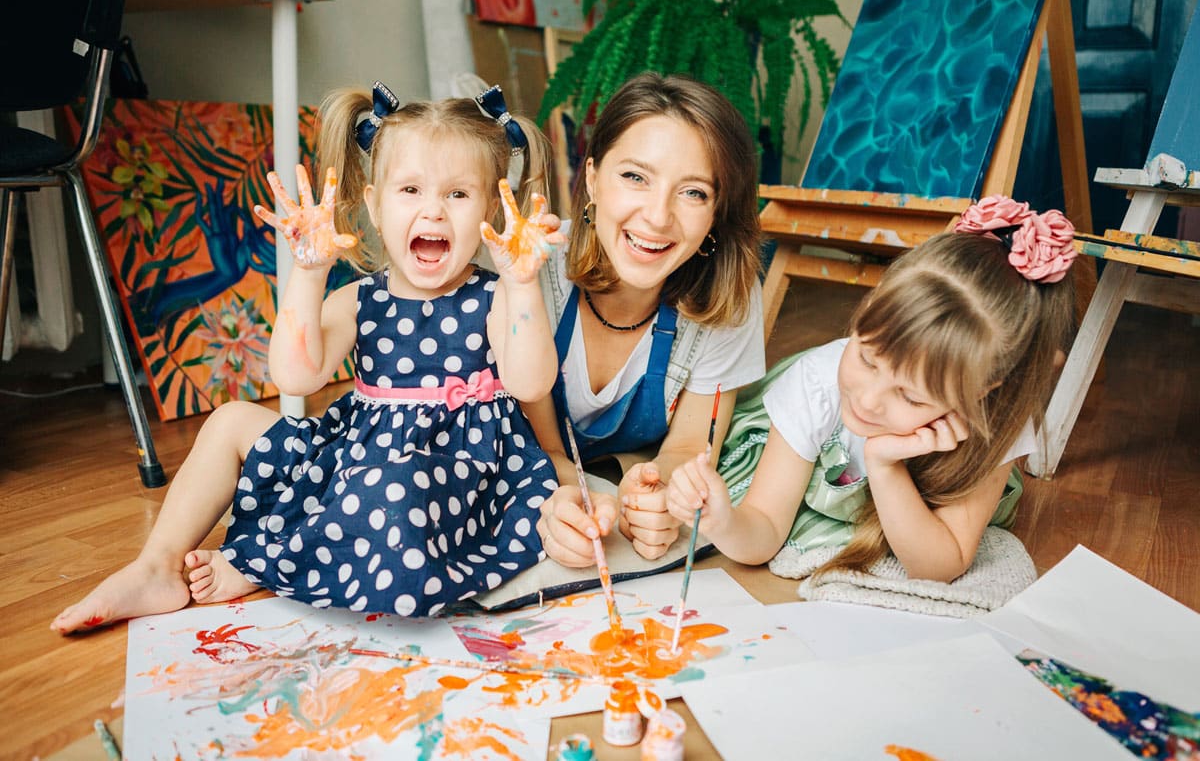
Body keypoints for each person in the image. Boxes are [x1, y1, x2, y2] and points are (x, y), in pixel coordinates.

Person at [52, 81, 565, 632]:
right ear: (372, 205)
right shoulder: (362, 297)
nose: (433, 212)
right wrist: (310, 271)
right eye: (410, 190)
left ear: (493, 207)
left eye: (458, 195)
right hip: (358, 456)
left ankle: (265, 561)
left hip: (458, 475)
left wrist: (522, 284)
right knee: (229, 421)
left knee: (388, 484)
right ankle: (155, 566)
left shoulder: (494, 297)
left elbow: (530, 382)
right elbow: (295, 374)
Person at [665, 196, 1077, 582]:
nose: (867, 399)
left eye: (911, 396)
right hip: (809, 450)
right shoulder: (818, 385)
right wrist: (724, 522)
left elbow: (940, 565)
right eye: (866, 358)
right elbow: (766, 531)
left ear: (983, 389)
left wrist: (884, 465)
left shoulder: (995, 417)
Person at [532, 72, 766, 568]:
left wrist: (656, 497)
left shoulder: (730, 294)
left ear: (717, 211)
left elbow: (687, 444)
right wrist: (554, 497)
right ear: (592, 178)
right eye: (635, 177)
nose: (658, 218)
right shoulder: (531, 269)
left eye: (694, 193)